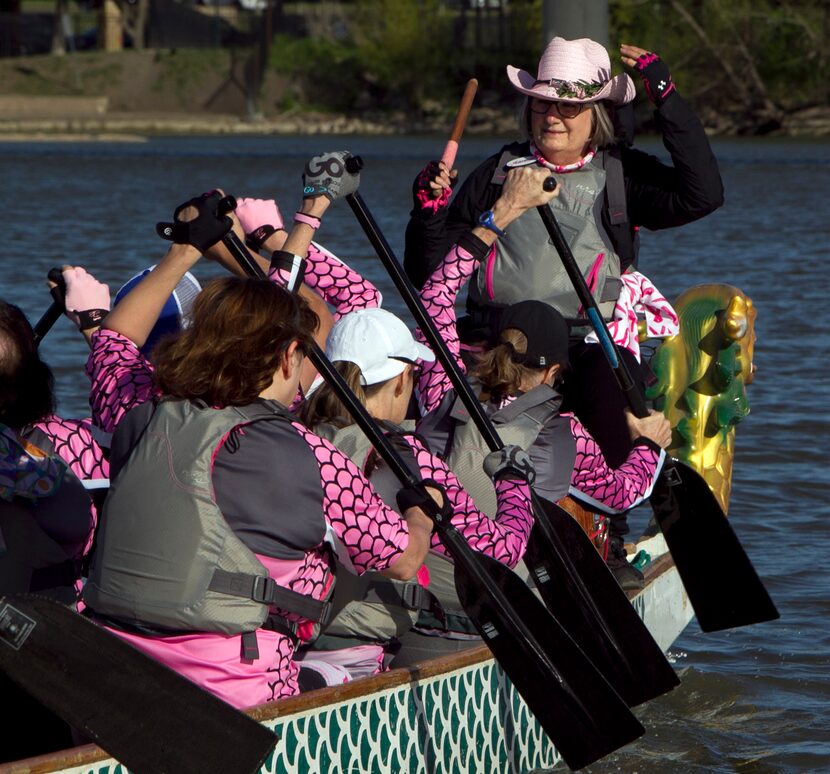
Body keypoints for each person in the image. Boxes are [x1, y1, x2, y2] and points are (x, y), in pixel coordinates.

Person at [81, 187, 435, 709]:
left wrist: (183, 250)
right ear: (292, 354)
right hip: (237, 694)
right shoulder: (315, 457)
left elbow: (113, 340)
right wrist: (423, 510)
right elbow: (403, 561)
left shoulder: (136, 410)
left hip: (115, 668)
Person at [404, 36, 720, 552]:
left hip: (585, 341)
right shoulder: (494, 173)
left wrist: (668, 96)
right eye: (544, 102)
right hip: (494, 338)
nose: (553, 116)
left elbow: (703, 195)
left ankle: (605, 542)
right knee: (444, 413)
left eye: (569, 106)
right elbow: (429, 273)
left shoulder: (622, 174)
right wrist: (428, 213)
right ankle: (450, 527)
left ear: (595, 113)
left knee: (614, 402)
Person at [413, 165, 672, 589]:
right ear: (555, 370)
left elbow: (435, 297)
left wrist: (502, 214)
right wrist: (649, 444)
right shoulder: (561, 433)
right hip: (500, 585)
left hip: (426, 566)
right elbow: (625, 493)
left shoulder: (442, 389)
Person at [298, 306, 536, 668]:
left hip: (289, 632)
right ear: (400, 380)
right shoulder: (408, 460)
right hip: (358, 645)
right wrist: (514, 483)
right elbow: (501, 551)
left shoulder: (296, 431)